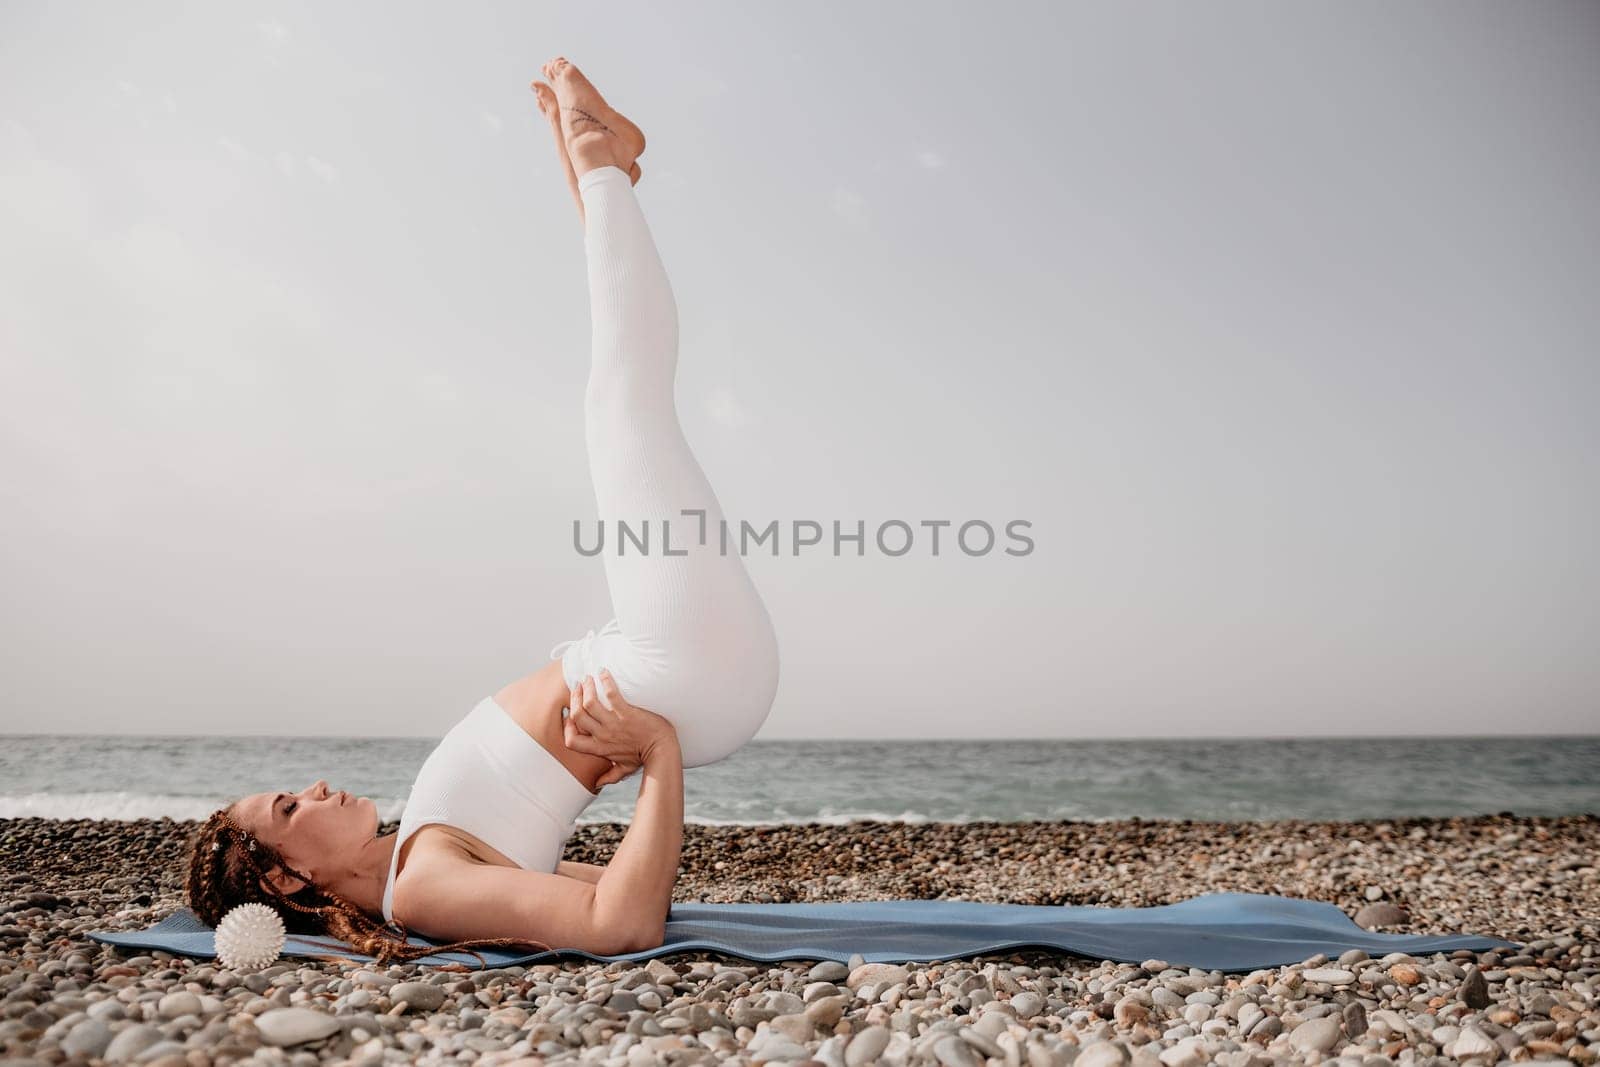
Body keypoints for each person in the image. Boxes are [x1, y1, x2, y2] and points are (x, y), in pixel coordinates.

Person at [185, 56, 781, 965]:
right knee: (621, 404)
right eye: (288, 808)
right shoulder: (423, 884)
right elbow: (624, 926)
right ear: (285, 878)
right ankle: (596, 158)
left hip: (675, 668)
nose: (312, 786)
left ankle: (596, 162)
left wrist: (641, 759)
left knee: (621, 392)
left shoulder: (419, 858)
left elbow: (608, 888)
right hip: (676, 670)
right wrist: (658, 751)